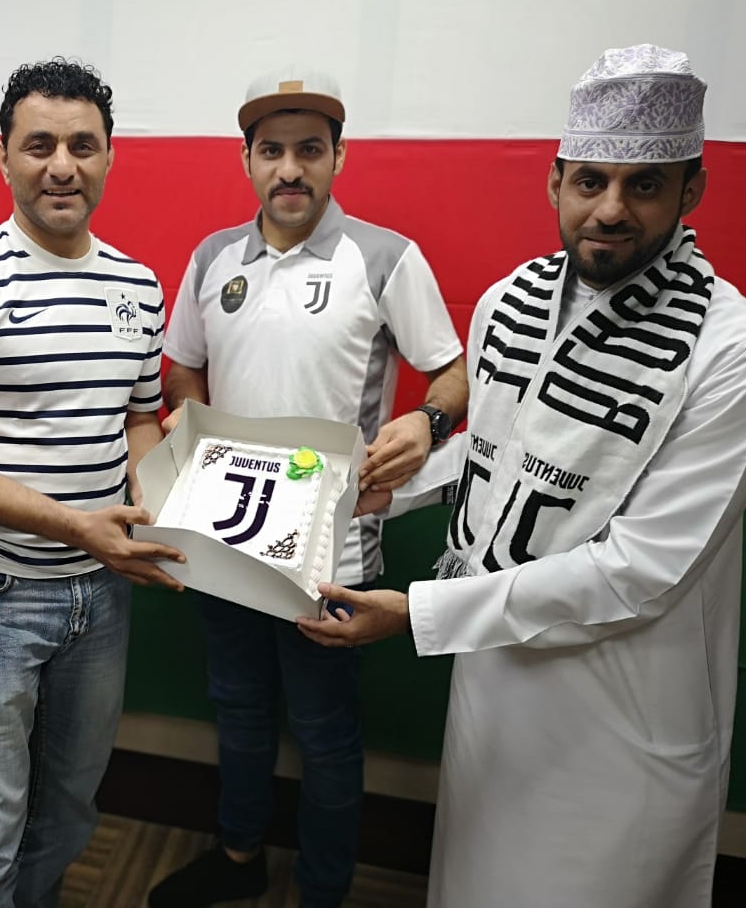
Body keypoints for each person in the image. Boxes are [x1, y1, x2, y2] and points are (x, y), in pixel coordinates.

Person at [297, 44, 746, 907]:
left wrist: (416, 612)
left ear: (691, 190)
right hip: (491, 673)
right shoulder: (510, 301)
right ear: (555, 181)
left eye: (645, 184)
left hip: (620, 710)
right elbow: (504, 454)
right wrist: (396, 488)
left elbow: (643, 570)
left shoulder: (740, 355)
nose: (611, 209)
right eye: (590, 180)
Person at [149, 68, 469, 908]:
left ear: (337, 157)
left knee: (325, 733)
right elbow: (181, 368)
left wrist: (428, 422)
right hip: (225, 536)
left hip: (332, 551)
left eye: (309, 151)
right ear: (248, 161)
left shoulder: (385, 257)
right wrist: (188, 418)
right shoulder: (213, 258)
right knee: (239, 710)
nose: (290, 169)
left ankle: (323, 889)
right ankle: (239, 857)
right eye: (272, 151)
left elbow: (453, 373)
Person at [0, 57, 185, 908]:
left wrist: (160, 507)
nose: (62, 165)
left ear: (109, 156)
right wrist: (77, 526)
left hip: (102, 590)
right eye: (39, 145)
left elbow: (138, 421)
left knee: (67, 812)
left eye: (82, 146)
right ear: (3, 158)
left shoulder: (138, 285)